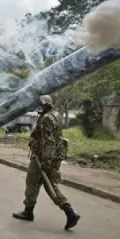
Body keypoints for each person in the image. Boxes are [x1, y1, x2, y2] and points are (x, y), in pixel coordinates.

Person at [13, 95, 80, 230]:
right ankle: (29, 210)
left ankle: (69, 211)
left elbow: (48, 142)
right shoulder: (55, 114)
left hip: (44, 157)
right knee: (38, 182)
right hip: (52, 155)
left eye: (40, 105)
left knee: (41, 183)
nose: (38, 107)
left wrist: (45, 162)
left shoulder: (46, 119)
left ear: (46, 105)